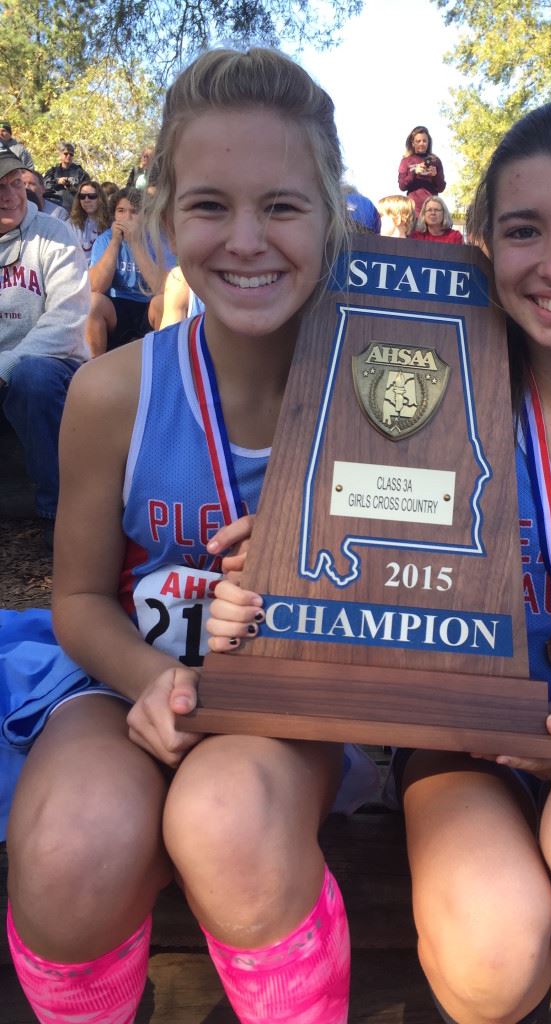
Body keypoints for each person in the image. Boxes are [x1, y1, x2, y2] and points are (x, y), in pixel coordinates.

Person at [209, 93, 551, 1024]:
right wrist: (290, 548)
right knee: (491, 952)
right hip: (451, 714)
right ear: (480, 241)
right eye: (522, 230)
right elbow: (344, 523)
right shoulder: (423, 371)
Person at [5, 46, 376, 1024]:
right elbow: (80, 601)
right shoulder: (114, 391)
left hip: (300, 688)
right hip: (131, 668)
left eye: (284, 206)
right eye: (211, 205)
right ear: (165, 218)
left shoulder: (391, 391)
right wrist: (155, 675)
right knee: (67, 846)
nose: (246, 239)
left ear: (333, 213)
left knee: (226, 817)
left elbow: (429, 592)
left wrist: (321, 569)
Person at [0, 150, 90, 549]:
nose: (9, 195)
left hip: (53, 364)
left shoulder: (56, 235)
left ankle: (62, 512)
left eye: (15, 183)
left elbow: (67, 322)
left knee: (31, 376)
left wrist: (4, 366)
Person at [86, 187, 165, 354]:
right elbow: (96, 287)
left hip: (147, 306)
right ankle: (94, 367)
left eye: (134, 212)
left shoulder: (158, 240)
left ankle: (162, 365)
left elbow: (161, 288)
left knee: (163, 302)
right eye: (121, 211)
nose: (127, 217)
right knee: (93, 302)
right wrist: (115, 242)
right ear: (114, 214)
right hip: (117, 307)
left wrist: (135, 243)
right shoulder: (104, 240)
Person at [397, 124, 446, 216]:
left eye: (424, 141)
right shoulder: (406, 161)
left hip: (431, 209)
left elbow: (441, 188)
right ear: (413, 143)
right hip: (414, 210)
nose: (421, 144)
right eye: (418, 141)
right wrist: (414, 172)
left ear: (428, 142)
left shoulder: (435, 160)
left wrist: (436, 176)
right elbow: (402, 186)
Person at [42, 142, 90, 213]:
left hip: (74, 209)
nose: (69, 156)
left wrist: (73, 187)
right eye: (66, 153)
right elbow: (44, 186)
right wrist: (58, 181)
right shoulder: (53, 171)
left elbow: (88, 189)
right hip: (55, 209)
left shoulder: (80, 172)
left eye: (71, 154)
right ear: (60, 154)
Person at [67, 181, 110, 255]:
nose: (86, 200)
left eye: (92, 196)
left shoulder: (111, 223)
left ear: (100, 198)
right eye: (82, 196)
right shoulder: (71, 224)